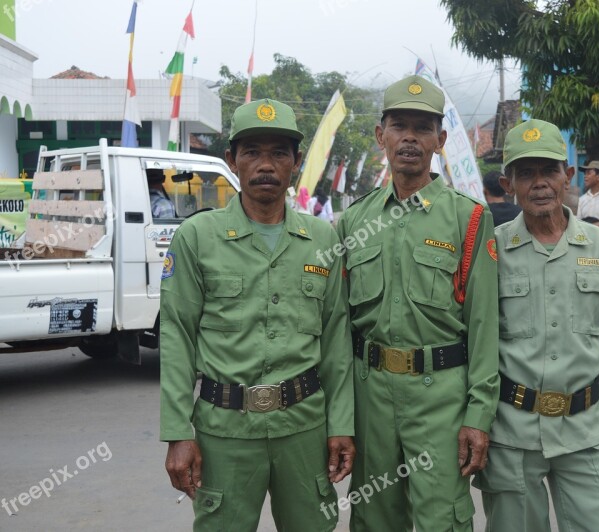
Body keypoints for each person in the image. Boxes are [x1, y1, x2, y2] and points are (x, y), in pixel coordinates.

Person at [159, 98, 355, 531]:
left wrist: (341, 425)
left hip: (303, 427)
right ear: (232, 160)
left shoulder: (322, 238)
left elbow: (337, 340)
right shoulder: (198, 237)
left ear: (295, 162)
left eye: (278, 153)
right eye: (252, 152)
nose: (265, 164)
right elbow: (177, 335)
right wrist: (178, 432)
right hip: (224, 430)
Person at [337, 75, 499, 531]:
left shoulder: (469, 219)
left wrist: (478, 416)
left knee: (441, 518)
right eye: (399, 126)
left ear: (440, 140)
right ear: (380, 136)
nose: (410, 138)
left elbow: (484, 326)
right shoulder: (354, 221)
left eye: (423, 128)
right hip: (371, 397)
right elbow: (339, 330)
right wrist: (342, 418)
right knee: (373, 518)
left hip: (440, 397)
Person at [474, 118, 599, 531]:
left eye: (548, 170)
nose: (539, 183)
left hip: (585, 429)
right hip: (512, 432)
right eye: (525, 173)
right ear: (508, 184)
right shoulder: (493, 249)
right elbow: (479, 341)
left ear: (567, 177)